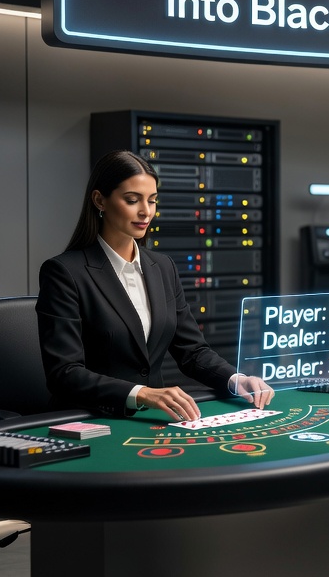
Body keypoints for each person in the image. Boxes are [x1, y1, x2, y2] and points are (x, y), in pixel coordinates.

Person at [37, 150, 274, 421]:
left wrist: (235, 379)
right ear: (100, 200)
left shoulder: (163, 267)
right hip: (89, 420)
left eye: (152, 200)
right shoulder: (64, 272)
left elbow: (192, 352)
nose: (146, 211)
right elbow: (64, 373)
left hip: (150, 420)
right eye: (132, 200)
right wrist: (141, 393)